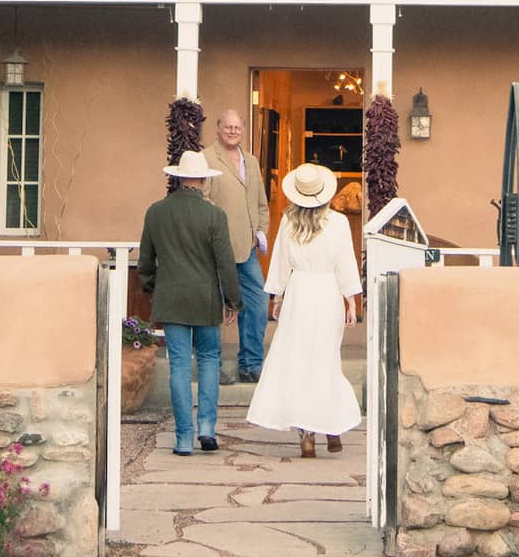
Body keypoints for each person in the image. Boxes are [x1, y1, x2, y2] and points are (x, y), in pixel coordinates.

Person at [246, 163, 362, 458]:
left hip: (299, 290)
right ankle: (331, 426)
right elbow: (346, 263)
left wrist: (278, 297)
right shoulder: (337, 223)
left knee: (298, 359)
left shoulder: (288, 222)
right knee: (325, 359)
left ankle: (307, 436)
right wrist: (351, 299)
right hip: (327, 291)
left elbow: (281, 263)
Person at [138, 149, 242, 456]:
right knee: (209, 359)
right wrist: (232, 300)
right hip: (206, 298)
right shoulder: (214, 216)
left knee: (179, 366)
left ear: (178, 177)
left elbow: (145, 262)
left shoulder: (156, 212)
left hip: (171, 298)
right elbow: (225, 263)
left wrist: (155, 288)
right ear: (204, 181)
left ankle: (184, 437)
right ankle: (207, 427)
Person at [203, 109, 270, 383]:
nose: (232, 131)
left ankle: (251, 364)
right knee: (212, 307)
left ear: (243, 130)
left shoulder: (251, 161)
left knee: (257, 303)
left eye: (237, 127)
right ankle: (212, 367)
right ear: (218, 129)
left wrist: (260, 232)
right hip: (215, 249)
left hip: (247, 249)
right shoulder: (206, 158)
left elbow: (261, 203)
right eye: (227, 127)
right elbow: (202, 199)